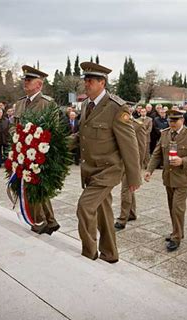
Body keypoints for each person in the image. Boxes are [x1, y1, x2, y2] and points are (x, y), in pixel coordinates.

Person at [76, 61, 141, 263]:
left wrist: (134, 178)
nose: (86, 84)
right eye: (85, 80)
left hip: (108, 171)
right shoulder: (87, 104)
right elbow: (82, 136)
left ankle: (89, 253)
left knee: (84, 207)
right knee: (104, 213)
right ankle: (110, 254)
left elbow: (130, 145)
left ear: (102, 83)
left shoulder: (116, 108)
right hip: (90, 170)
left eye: (90, 81)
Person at [145, 109, 187, 252]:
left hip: (184, 178)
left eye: (175, 121)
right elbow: (157, 153)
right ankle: (177, 231)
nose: (172, 124)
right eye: (170, 121)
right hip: (169, 177)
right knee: (172, 207)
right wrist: (149, 170)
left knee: (177, 207)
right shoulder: (165, 134)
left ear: (182, 120)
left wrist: (182, 160)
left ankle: (176, 237)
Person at [13, 65, 60, 235]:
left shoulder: (47, 104)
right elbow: (15, 127)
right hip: (22, 154)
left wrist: (43, 151)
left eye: (29, 80)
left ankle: (39, 222)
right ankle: (50, 221)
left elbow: (52, 131)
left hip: (39, 154)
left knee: (35, 188)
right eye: (25, 80)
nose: (25, 82)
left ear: (39, 85)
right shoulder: (19, 103)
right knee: (33, 187)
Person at [114, 107, 147, 230]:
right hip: (120, 162)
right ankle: (131, 213)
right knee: (129, 189)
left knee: (125, 190)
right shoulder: (118, 122)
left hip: (131, 163)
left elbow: (142, 147)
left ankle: (122, 219)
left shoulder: (138, 125)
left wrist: (137, 166)